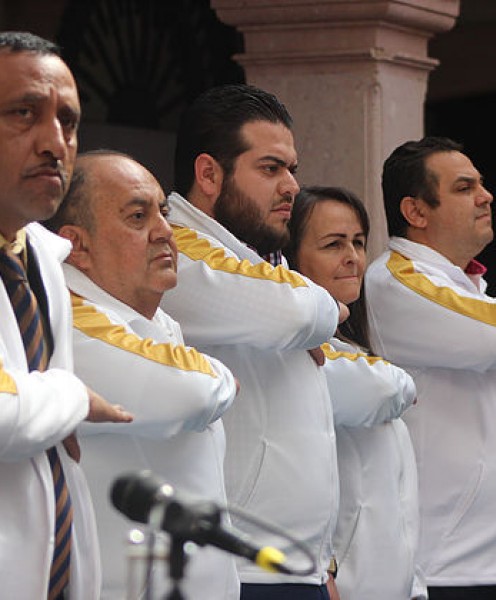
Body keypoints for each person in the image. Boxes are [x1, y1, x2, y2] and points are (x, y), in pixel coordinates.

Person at [159, 84, 342, 600]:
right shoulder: (175, 247)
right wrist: (327, 312)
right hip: (237, 569)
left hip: (296, 566)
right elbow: (293, 311)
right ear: (208, 174)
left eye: (293, 169)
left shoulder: (260, 260)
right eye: (270, 169)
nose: (291, 187)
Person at [44, 151, 240, 599]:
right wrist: (224, 377)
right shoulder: (71, 321)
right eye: (138, 216)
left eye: (163, 212)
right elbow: (184, 392)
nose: (165, 232)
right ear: (78, 245)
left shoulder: (159, 322)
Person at [364, 136, 496, 600]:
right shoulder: (396, 276)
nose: (486, 197)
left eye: (481, 185)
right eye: (465, 187)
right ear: (416, 212)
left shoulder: (466, 286)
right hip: (451, 565)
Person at [0, 31, 132, 600]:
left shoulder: (42, 259)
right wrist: (73, 396)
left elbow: (55, 450)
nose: (55, 142)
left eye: (69, 122)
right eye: (23, 113)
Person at [284, 185, 425, 600]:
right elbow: (375, 390)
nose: (352, 257)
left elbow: (398, 492)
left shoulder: (355, 350)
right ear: (292, 257)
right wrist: (401, 380)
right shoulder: (293, 352)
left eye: (359, 242)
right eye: (333, 244)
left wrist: (414, 585)